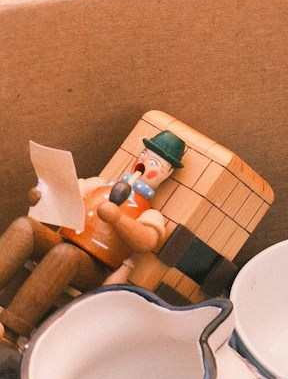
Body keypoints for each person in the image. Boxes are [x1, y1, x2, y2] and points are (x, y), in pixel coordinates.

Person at [0, 130, 186, 343]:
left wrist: (117, 219)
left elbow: (146, 240)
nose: (143, 162)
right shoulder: (99, 184)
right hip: (65, 240)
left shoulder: (148, 212)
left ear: (167, 173)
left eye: (153, 162)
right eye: (143, 154)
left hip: (94, 267)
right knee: (25, 227)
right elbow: (67, 193)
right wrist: (44, 196)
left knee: (65, 254)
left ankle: (11, 328)